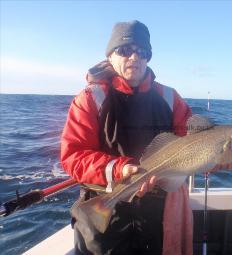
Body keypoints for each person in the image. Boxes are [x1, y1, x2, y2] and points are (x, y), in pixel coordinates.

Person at [60, 20, 194, 255]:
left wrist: (222, 154)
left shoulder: (171, 98)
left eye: (143, 52)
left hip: (156, 213)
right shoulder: (90, 98)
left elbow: (193, 141)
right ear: (110, 56)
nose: (135, 57)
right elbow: (73, 156)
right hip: (104, 212)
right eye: (125, 50)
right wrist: (121, 169)